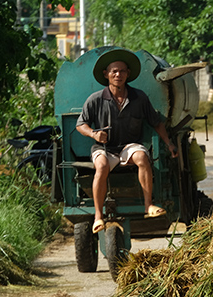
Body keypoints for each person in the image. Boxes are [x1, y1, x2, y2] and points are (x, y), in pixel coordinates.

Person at [76, 48, 178, 234]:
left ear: (128, 74)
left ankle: (148, 205)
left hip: (129, 146)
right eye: (114, 71)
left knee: (142, 157)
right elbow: (80, 124)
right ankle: (98, 217)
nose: (118, 74)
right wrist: (93, 134)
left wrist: (169, 143)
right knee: (101, 165)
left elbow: (156, 123)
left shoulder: (139, 97)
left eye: (122, 71)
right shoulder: (95, 99)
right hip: (104, 147)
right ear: (106, 74)